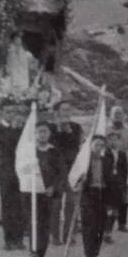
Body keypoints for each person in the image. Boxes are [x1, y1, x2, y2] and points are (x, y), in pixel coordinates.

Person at [26, 122, 65, 257]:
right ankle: (33, 251)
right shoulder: (29, 151)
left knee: (45, 222)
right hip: (32, 190)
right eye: (39, 131)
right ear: (35, 133)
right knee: (33, 221)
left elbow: (60, 172)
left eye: (45, 131)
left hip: (48, 191)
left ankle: (41, 252)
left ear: (49, 134)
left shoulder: (54, 151)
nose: (42, 134)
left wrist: (53, 187)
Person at [72, 135, 112, 257]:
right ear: (90, 146)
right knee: (89, 225)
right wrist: (80, 181)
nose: (99, 148)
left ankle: (95, 253)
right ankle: (89, 255)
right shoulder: (84, 162)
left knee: (100, 225)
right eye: (96, 145)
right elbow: (74, 178)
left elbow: (111, 179)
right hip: (88, 193)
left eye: (101, 145)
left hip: (103, 193)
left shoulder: (106, 160)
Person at [0, 103, 25, 250]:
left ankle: (19, 238)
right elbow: (6, 144)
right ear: (2, 113)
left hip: (20, 171)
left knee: (20, 205)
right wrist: (13, 128)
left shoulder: (21, 128)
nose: (11, 114)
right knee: (7, 206)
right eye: (8, 111)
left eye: (13, 111)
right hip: (6, 171)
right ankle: (8, 239)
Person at [49, 101, 83, 246]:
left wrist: (68, 131)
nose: (67, 112)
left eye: (69, 109)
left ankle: (70, 234)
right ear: (57, 112)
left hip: (72, 169)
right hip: (56, 171)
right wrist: (58, 129)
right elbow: (52, 146)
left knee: (71, 203)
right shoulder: (51, 127)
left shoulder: (76, 127)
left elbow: (76, 145)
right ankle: (55, 235)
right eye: (64, 110)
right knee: (55, 204)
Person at [104, 131, 128, 239]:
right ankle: (107, 231)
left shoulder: (122, 154)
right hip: (108, 184)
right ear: (107, 141)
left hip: (119, 183)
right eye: (111, 139)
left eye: (115, 139)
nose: (113, 141)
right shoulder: (105, 152)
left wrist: (125, 183)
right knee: (109, 208)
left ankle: (117, 226)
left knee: (120, 205)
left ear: (119, 141)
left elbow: (125, 170)